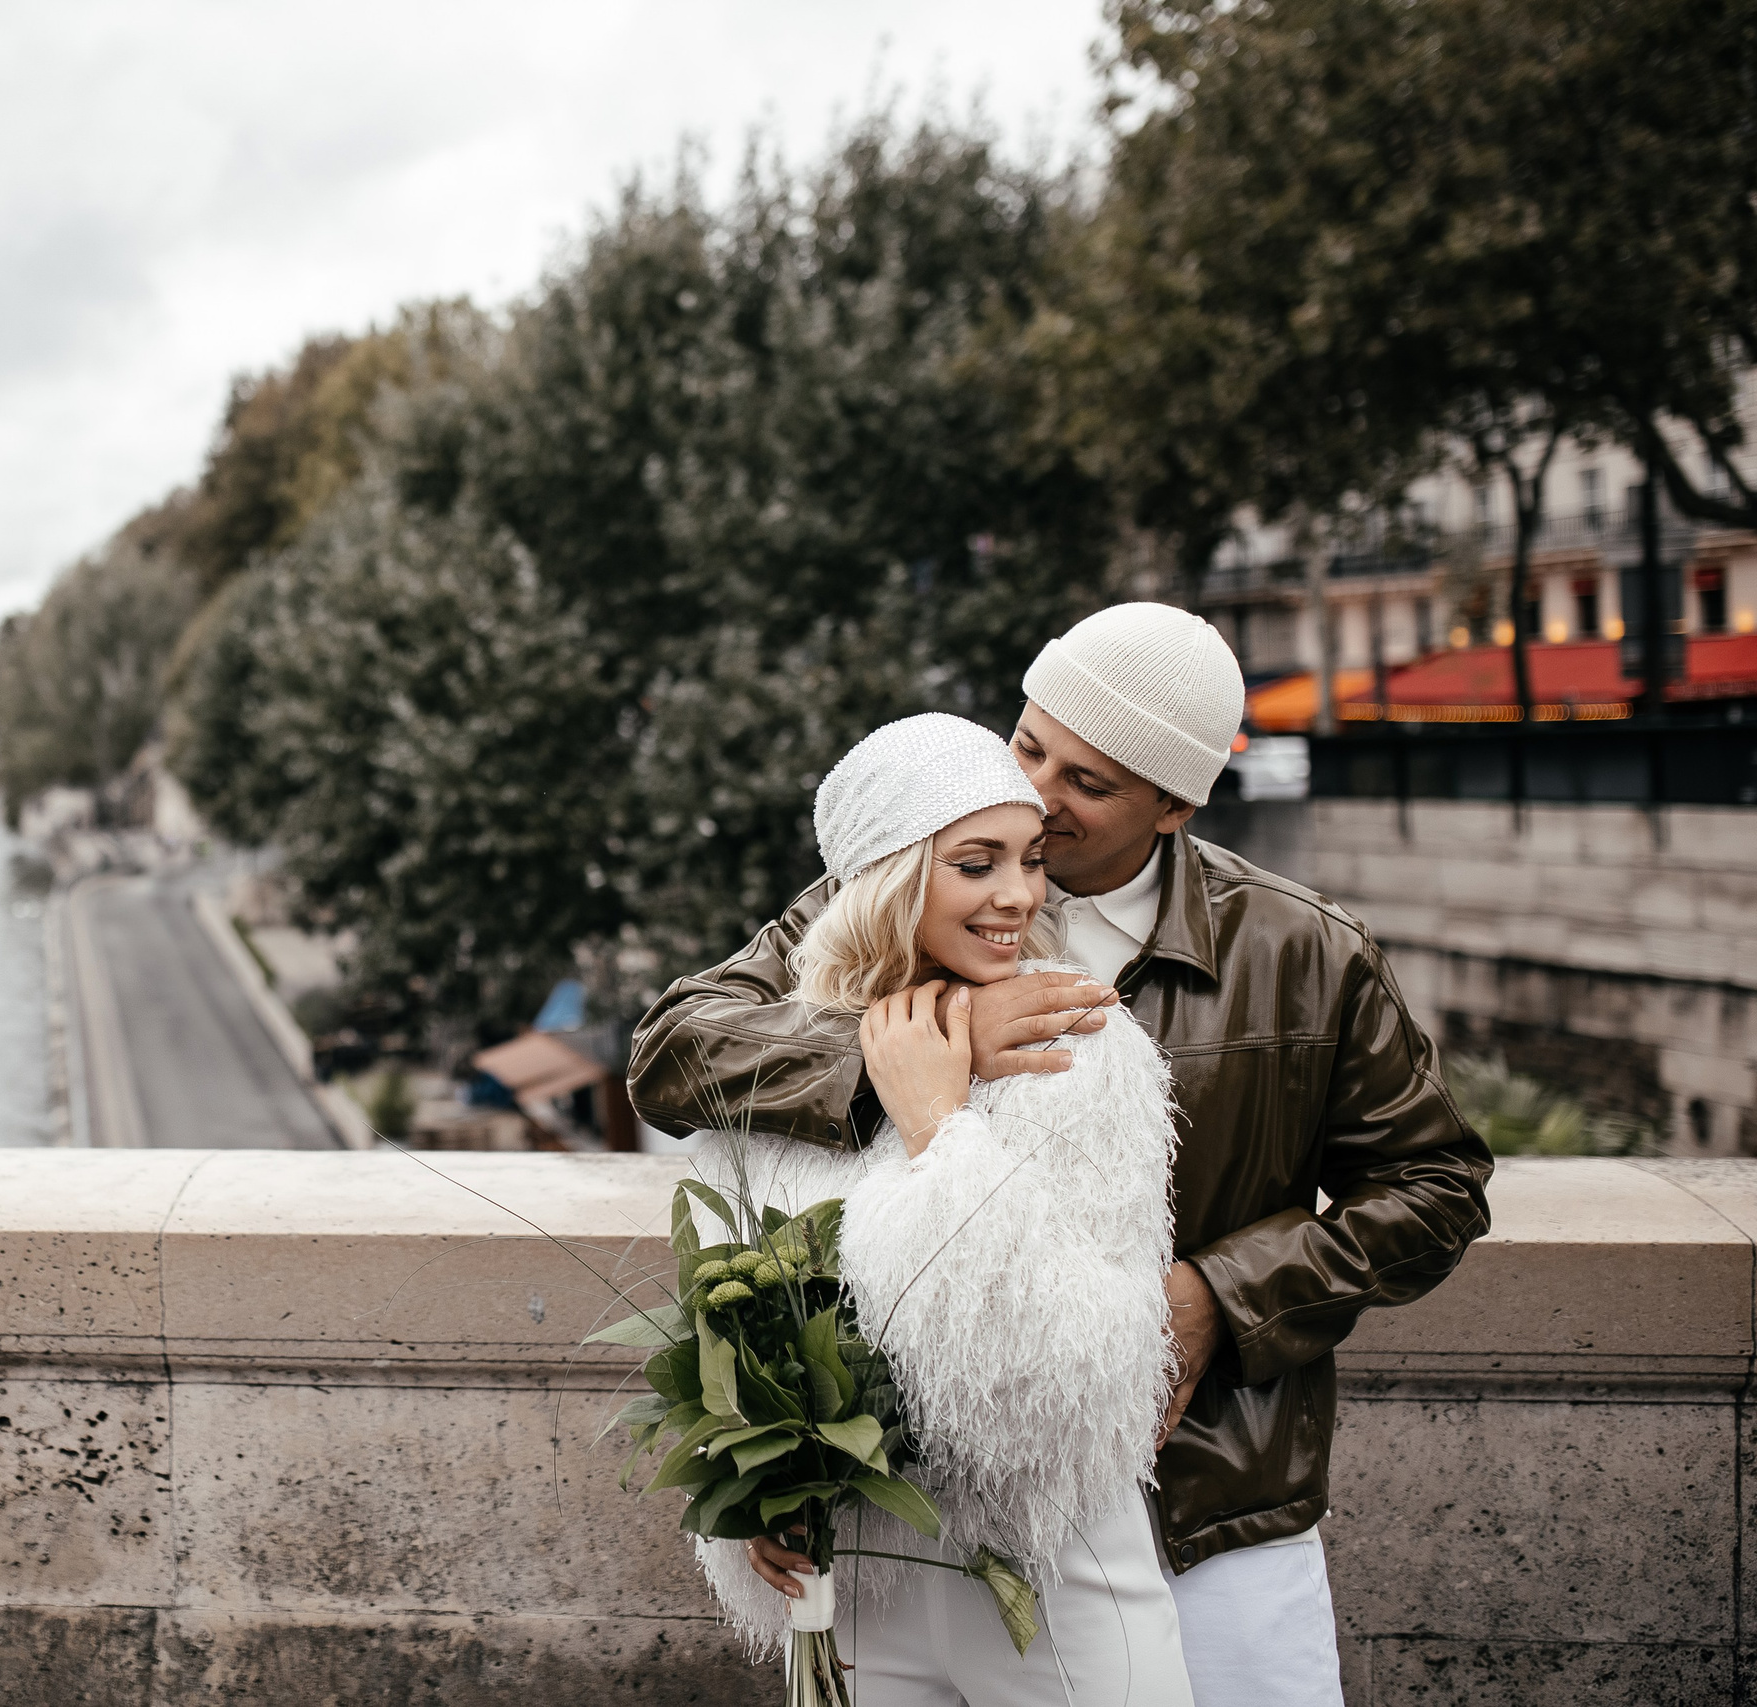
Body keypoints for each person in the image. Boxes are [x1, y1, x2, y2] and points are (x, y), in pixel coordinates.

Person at [631, 603, 1494, 1707]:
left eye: (1086, 784)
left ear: (1174, 804)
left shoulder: (1303, 951)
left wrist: (1215, 1299)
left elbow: (1434, 1188)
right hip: (942, 1510)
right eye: (1029, 743)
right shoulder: (913, 867)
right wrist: (896, 1054)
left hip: (1209, 1503)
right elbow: (675, 1049)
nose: (1035, 792)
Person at [685, 712, 1195, 1706]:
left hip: (1052, 1588)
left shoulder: (1076, 1044)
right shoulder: (781, 1068)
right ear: (888, 877)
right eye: (975, 863)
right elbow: (729, 1329)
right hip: (859, 1590)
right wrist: (752, 1496)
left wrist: (937, 1125)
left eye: (1029, 859)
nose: (1019, 895)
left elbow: (1057, 1381)